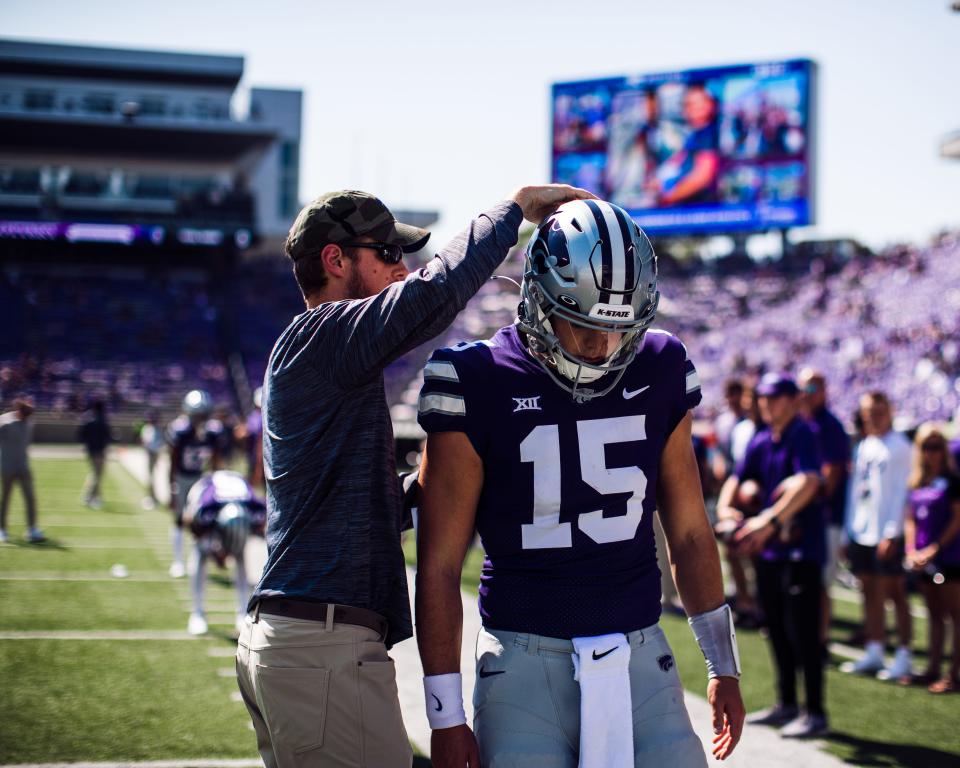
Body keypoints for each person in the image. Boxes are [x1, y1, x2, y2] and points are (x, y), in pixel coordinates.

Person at [234, 184, 593, 768]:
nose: (404, 268)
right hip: (321, 644)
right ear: (336, 260)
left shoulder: (316, 353)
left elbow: (348, 509)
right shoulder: (325, 337)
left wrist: (443, 479)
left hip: (298, 642)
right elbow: (436, 293)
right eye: (386, 253)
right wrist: (517, 210)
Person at [416, 199, 744, 767]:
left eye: (618, 329)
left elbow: (689, 532)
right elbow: (440, 564)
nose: (601, 348)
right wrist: (445, 715)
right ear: (538, 296)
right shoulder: (475, 377)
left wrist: (723, 664)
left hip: (641, 652)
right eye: (584, 325)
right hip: (523, 661)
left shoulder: (661, 364)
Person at [716, 372, 826, 737]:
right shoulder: (762, 437)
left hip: (799, 549)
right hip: (770, 552)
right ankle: (786, 703)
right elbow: (737, 477)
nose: (767, 403)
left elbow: (808, 481)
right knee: (775, 628)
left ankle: (815, 711)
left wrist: (768, 518)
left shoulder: (803, 433)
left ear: (794, 400)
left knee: (805, 633)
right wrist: (727, 509)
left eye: (775, 397)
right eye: (762, 397)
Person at [841, 391, 913, 680]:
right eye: (869, 411)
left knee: (895, 593)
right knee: (868, 591)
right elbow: (856, 492)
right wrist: (849, 531)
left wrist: (892, 532)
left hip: (886, 531)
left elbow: (902, 493)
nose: (873, 416)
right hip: (862, 529)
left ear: (890, 411)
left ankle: (904, 654)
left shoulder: (901, 446)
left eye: (879, 410)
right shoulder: (864, 445)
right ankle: (875, 648)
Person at [903, 424, 960, 693]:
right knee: (934, 615)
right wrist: (912, 550)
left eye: (937, 446)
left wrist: (935, 549)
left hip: (950, 557)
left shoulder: (953, 481)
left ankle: (953, 674)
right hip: (924, 558)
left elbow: (957, 519)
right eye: (927, 446)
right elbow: (910, 519)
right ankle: (932, 668)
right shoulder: (918, 480)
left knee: (955, 616)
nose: (932, 453)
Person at [798, 369, 850, 649]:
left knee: (820, 583)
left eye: (813, 389)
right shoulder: (804, 422)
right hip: (807, 515)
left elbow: (832, 476)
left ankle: (821, 637)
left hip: (824, 515)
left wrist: (802, 498)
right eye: (804, 389)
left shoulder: (830, 425)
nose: (808, 395)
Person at [182, 469, 266, 636]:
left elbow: (261, 525)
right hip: (206, 489)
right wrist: (216, 551)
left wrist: (234, 547)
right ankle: (197, 612)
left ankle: (243, 613)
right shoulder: (205, 511)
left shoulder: (255, 510)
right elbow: (191, 525)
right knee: (200, 552)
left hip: (236, 498)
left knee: (241, 557)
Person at [166, 390, 223, 578]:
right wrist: (172, 487)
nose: (201, 418)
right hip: (182, 478)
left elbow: (215, 459)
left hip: (200, 478)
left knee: (202, 520)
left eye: (204, 414)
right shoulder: (180, 430)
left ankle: (200, 558)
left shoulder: (212, 431)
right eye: (198, 414)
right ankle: (178, 561)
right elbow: (173, 461)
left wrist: (215, 482)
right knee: (179, 520)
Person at [0, 397, 42, 544]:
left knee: (31, 498)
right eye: (25, 414)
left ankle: (32, 529)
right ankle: (2, 529)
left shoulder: (29, 423)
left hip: (23, 467)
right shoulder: (4, 422)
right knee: (6, 499)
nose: (27, 418)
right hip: (7, 467)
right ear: (18, 411)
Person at [78, 398, 112, 509]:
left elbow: (81, 435)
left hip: (91, 450)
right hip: (99, 451)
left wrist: (86, 444)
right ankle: (89, 497)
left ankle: (97, 497)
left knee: (95, 474)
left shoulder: (87, 418)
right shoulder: (103, 419)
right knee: (97, 475)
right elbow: (107, 436)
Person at [139, 410, 165, 510]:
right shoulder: (148, 428)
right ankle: (151, 497)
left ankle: (152, 497)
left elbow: (159, 442)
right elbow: (145, 442)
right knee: (150, 477)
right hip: (150, 454)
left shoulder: (156, 429)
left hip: (154, 454)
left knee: (152, 477)